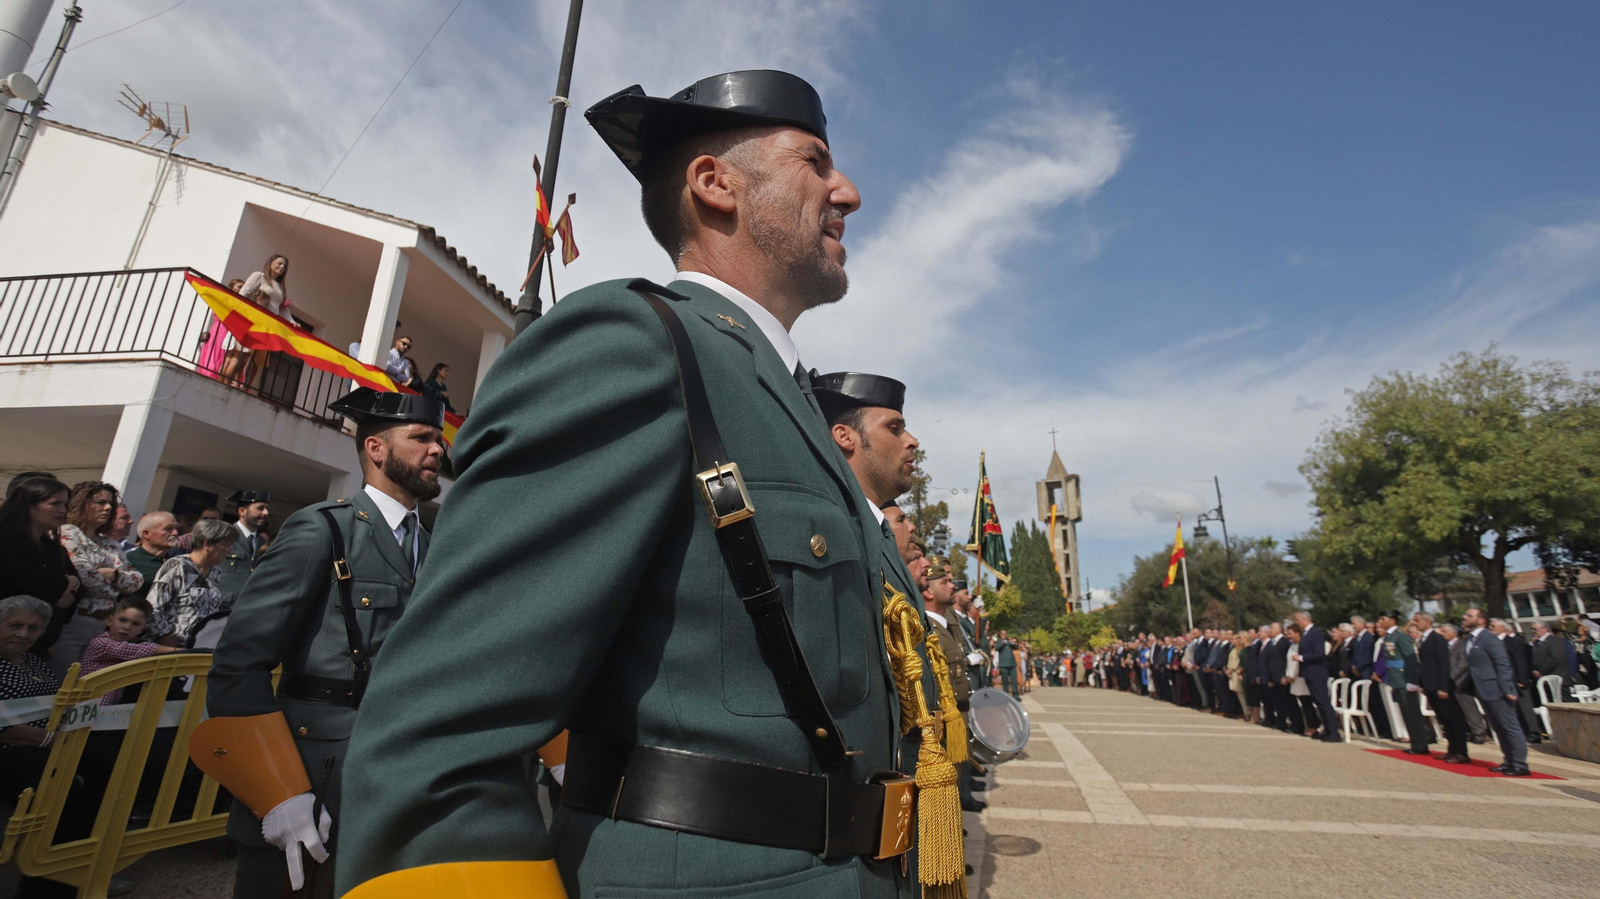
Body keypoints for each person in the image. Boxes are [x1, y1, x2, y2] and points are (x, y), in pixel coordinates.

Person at [334, 70, 963, 899]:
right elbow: (439, 741)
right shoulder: (635, 343)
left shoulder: (792, 406)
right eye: (814, 162)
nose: (846, 191)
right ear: (715, 184)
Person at [195, 388, 446, 899]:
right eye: (422, 437)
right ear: (376, 448)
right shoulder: (323, 528)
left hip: (398, 767)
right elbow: (239, 663)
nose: (437, 449)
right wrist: (277, 789)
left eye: (438, 440)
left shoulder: (435, 544)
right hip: (312, 771)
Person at [53, 481, 144, 678]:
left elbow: (136, 581)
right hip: (74, 621)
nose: (108, 508)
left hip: (104, 625)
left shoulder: (111, 544)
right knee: (62, 681)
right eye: (101, 502)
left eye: (110, 503)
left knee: (90, 684)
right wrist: (117, 584)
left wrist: (114, 575)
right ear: (81, 503)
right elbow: (86, 579)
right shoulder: (68, 533)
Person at [0, 476, 78, 656]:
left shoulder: (53, 548)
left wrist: (69, 589)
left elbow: (77, 589)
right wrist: (66, 584)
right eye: (55, 503)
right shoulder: (5, 540)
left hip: (36, 648)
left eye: (65, 504)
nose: (62, 510)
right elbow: (29, 581)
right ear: (28, 504)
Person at [146, 519, 238, 647]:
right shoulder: (177, 566)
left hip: (199, 647)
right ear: (207, 544)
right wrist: (167, 641)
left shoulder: (215, 571)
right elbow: (152, 609)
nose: (230, 551)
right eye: (227, 545)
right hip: (171, 648)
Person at [1462, 607, 1530, 776]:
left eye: (1469, 615)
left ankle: (1520, 764)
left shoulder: (1488, 638)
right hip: (1483, 689)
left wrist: (1507, 688)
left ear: (1481, 620)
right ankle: (1508, 760)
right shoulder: (1470, 639)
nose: (1465, 617)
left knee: (1510, 727)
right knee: (1498, 728)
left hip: (1497, 690)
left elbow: (1502, 663)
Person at [80, 596, 179, 703]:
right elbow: (134, 650)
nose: (127, 627)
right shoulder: (100, 643)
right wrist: (178, 651)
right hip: (84, 707)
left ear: (141, 630)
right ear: (110, 621)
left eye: (135, 624)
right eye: (123, 620)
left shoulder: (130, 649)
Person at [223, 255, 292, 384]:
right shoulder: (259, 276)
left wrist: (292, 322)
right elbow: (244, 294)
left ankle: (242, 386)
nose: (282, 267)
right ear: (270, 263)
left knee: (255, 359)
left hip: (268, 326)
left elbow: (282, 308)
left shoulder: (280, 287)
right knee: (240, 355)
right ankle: (225, 383)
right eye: (279, 263)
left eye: (284, 265)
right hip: (252, 321)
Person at [1417, 614, 1468, 763]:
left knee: (1452, 719)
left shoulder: (1437, 638)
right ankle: (1452, 749)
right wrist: (1423, 684)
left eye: (1418, 620)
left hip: (1440, 686)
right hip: (1430, 685)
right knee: (1444, 720)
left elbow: (1444, 663)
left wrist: (1443, 687)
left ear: (1427, 621)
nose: (1415, 623)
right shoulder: (1424, 639)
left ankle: (1461, 752)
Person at [1377, 610, 1428, 755]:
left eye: (1383, 619)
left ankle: (1421, 744)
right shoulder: (1390, 636)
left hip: (1404, 679)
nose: (1380, 622)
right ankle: (1415, 743)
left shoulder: (1400, 636)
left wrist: (1412, 681)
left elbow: (1411, 659)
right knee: (1406, 713)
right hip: (1396, 679)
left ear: (1392, 620)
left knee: (1412, 713)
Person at [216, 490, 270, 610]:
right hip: (223, 607)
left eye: (267, 508)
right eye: (260, 508)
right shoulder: (223, 536)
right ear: (242, 511)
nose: (266, 513)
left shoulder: (263, 543)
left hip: (251, 607)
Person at [1293, 611, 1341, 742]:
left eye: (1297, 620)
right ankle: (1327, 730)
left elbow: (1319, 653)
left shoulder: (1315, 633)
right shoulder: (1307, 633)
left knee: (1323, 702)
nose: (1296, 622)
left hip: (1317, 673)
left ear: (1304, 619)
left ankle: (1334, 732)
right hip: (1310, 673)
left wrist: (1301, 658)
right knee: (1318, 703)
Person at [1492, 618, 1542, 742]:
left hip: (1518, 681)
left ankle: (1534, 733)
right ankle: (1523, 732)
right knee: (1515, 709)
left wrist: (1522, 680)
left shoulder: (1512, 641)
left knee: (1525, 707)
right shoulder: (1496, 642)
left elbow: (1521, 661)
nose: (1490, 629)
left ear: (1502, 628)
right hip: (1506, 681)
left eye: (1493, 626)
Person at [125, 511, 179, 600]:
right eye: (168, 529)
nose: (175, 533)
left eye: (176, 528)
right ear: (147, 534)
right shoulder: (128, 560)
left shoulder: (177, 563)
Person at [996, 628, 1020, 699]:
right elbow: (997, 648)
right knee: (1005, 680)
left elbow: (1016, 647)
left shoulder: (1009, 641)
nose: (1004, 635)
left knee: (1014, 680)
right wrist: (1002, 642)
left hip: (1012, 663)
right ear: (1000, 635)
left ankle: (1016, 695)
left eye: (1005, 634)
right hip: (1003, 663)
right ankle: (1006, 694)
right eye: (1002, 634)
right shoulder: (998, 641)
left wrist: (1012, 642)